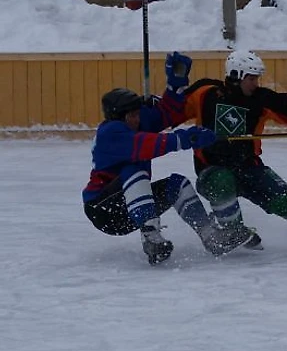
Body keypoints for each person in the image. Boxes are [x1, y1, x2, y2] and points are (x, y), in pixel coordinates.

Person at [82, 52, 252, 265]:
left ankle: (211, 237)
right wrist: (187, 138)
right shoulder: (111, 133)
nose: (137, 118)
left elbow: (166, 114)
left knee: (177, 184)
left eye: (138, 113)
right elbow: (149, 145)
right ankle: (151, 237)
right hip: (103, 209)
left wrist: (175, 85)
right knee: (134, 169)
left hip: (130, 206)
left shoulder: (135, 123)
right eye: (132, 115)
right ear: (119, 117)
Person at [183, 49, 287, 254]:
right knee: (222, 179)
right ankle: (233, 231)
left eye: (256, 78)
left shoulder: (260, 98)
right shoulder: (206, 93)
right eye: (251, 78)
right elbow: (173, 110)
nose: (256, 83)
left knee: (284, 200)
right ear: (236, 76)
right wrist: (152, 106)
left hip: (249, 167)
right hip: (211, 171)